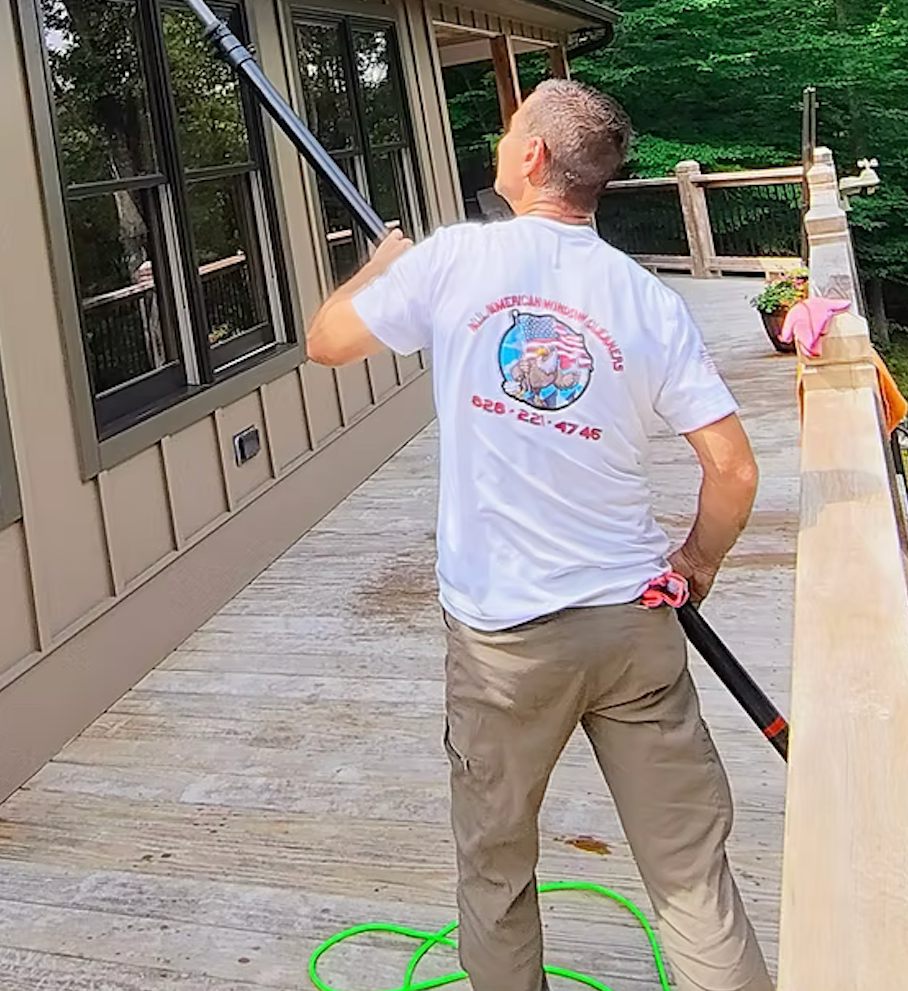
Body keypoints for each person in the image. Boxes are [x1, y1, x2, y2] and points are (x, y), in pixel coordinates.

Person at [306, 79, 772, 991]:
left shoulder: (451, 262)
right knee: (690, 878)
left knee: (495, 869)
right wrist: (695, 565)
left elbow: (326, 340)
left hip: (502, 645)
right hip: (636, 625)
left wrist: (381, 263)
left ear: (530, 158)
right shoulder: (645, 297)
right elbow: (735, 470)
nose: (500, 143)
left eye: (510, 130)